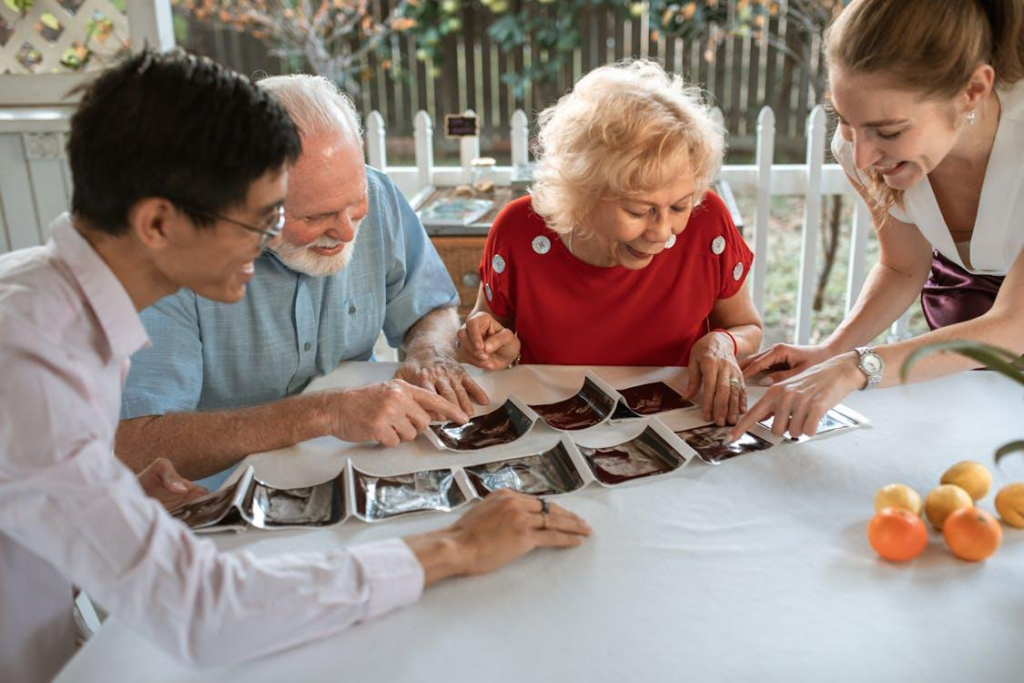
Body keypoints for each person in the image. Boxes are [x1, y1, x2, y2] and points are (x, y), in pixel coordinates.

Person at [0, 50, 591, 683]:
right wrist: (456, 547)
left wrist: (110, 491)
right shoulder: (33, 361)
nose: (267, 244)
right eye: (259, 219)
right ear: (157, 224)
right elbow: (207, 610)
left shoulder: (56, 307)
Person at [116, 73, 489, 488]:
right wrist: (324, 413)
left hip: (363, 467)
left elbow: (430, 307)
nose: (347, 231)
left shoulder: (379, 195)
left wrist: (429, 353)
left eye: (355, 203)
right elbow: (135, 445)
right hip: (225, 492)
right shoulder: (165, 255)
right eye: (315, 217)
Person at [732, 0, 1024, 441]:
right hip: (965, 352)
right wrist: (832, 350)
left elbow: (1012, 325)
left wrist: (858, 366)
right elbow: (903, 266)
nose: (863, 155)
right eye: (847, 122)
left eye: (888, 132)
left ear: (972, 90)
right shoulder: (858, 148)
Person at [456, 60, 763, 427]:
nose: (663, 232)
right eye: (638, 211)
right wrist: (486, 345)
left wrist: (722, 343)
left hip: (676, 424)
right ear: (582, 195)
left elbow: (749, 328)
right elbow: (485, 325)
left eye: (679, 206)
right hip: (553, 427)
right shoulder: (519, 231)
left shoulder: (707, 221)